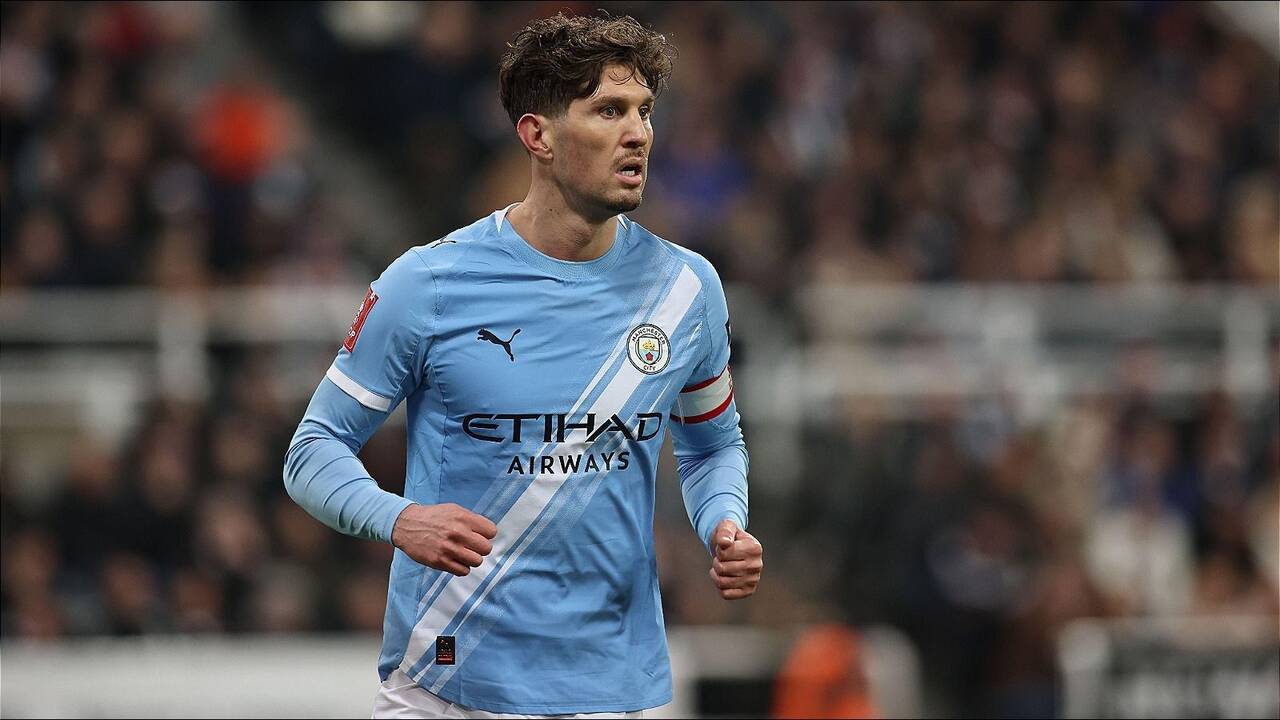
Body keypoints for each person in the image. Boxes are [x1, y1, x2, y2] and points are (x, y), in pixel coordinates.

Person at [283, 12, 763, 719]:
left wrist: (724, 521)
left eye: (644, 111)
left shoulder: (687, 289)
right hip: (444, 682)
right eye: (609, 110)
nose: (638, 133)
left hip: (607, 687)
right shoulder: (428, 284)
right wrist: (400, 518)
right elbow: (312, 449)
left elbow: (712, 445)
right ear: (538, 135)